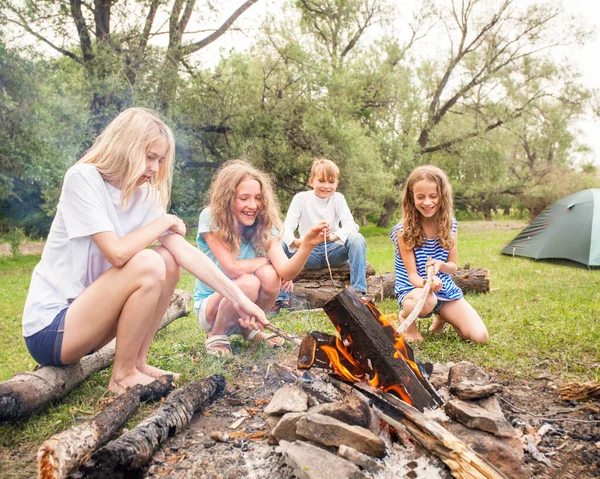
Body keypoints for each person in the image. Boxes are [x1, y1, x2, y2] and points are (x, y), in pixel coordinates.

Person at [22, 108, 268, 394]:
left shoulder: (146, 194)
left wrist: (239, 299)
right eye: (150, 157)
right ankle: (122, 375)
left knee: (169, 259)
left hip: (93, 322)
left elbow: (187, 254)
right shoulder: (83, 178)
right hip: (53, 330)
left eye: (160, 160)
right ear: (124, 147)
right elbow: (116, 252)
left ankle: (137, 364)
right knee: (150, 261)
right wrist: (164, 221)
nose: (155, 168)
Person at [193, 160, 329, 356]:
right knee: (249, 281)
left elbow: (286, 271)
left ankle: (251, 328)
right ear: (227, 198)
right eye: (244, 198)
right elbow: (232, 269)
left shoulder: (264, 225)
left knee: (270, 275)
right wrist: (266, 259)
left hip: (246, 307)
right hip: (211, 308)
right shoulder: (211, 218)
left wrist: (307, 244)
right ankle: (217, 334)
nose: (253, 205)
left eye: (258, 198)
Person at [390, 165, 488, 343]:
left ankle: (443, 316)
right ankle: (407, 320)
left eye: (433, 196)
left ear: (442, 196)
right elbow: (412, 274)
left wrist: (441, 265)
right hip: (415, 290)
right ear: (412, 198)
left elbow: (452, 268)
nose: (427, 202)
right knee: (427, 301)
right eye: (420, 197)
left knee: (479, 337)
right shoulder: (403, 231)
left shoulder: (450, 225)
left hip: (444, 290)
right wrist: (426, 283)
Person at [280, 158, 368, 304]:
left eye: (331, 182)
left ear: (337, 184)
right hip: (308, 253)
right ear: (311, 181)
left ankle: (358, 293)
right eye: (321, 181)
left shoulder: (338, 198)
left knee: (357, 238)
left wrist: (333, 237)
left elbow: (351, 225)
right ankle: (281, 298)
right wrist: (298, 242)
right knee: (280, 244)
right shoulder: (300, 198)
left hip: (333, 251)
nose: (326, 186)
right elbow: (286, 228)